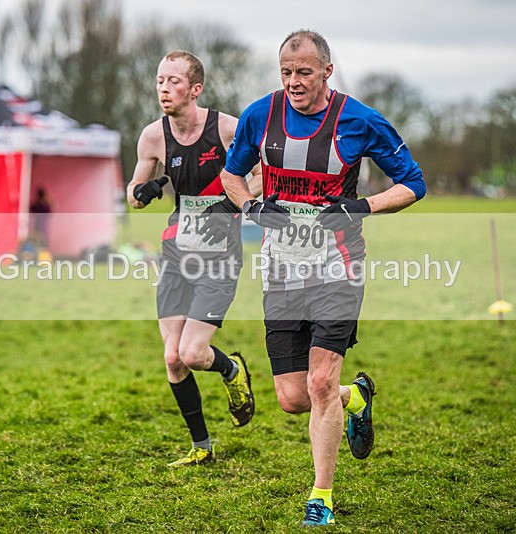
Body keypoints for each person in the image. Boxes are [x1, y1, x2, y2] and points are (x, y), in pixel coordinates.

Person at [217, 30, 427, 526]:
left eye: (304, 72)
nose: (293, 82)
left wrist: (360, 206)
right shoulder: (258, 116)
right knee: (293, 398)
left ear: (326, 72)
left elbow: (413, 183)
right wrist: (250, 205)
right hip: (281, 270)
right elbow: (231, 174)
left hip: (339, 266)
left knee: (318, 381)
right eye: (286, 72)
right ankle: (357, 398)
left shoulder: (359, 119)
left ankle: (321, 496)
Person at [126, 50, 262, 467]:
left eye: (173, 81)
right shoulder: (152, 136)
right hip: (176, 255)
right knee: (172, 357)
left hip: (219, 258)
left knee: (192, 353)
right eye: (160, 80)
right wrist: (141, 193)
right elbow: (133, 194)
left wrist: (235, 199)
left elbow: (263, 173)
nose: (164, 89)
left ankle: (231, 370)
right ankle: (201, 448)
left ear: (195, 89)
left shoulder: (226, 129)